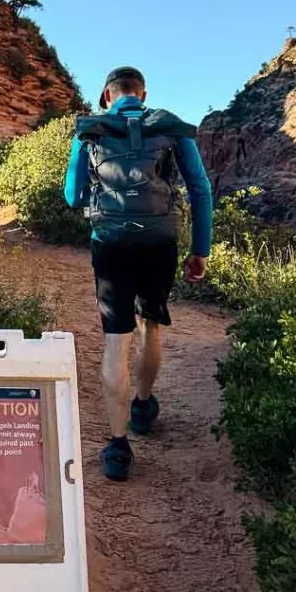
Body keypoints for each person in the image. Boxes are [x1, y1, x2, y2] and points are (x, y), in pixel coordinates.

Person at [64, 66, 213, 482]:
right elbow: (200, 189)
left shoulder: (91, 130)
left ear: (107, 96)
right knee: (151, 324)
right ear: (142, 95)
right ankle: (144, 407)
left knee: (116, 339)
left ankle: (117, 446)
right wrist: (200, 249)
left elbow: (73, 196)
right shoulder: (169, 127)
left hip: (110, 243)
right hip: (159, 242)